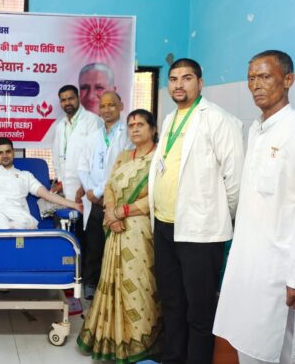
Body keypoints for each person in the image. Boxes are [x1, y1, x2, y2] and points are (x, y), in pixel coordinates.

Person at [214, 50, 295, 364]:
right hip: (248, 264)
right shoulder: (256, 130)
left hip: (281, 269)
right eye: (251, 78)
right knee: (246, 341)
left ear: (288, 80)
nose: (256, 85)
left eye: (265, 76)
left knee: (278, 349)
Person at [148, 58, 244, 364]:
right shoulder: (169, 120)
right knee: (172, 302)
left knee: (199, 309)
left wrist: (216, 217)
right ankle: (173, 358)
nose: (179, 84)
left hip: (200, 232)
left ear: (200, 83)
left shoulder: (218, 120)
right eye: (173, 79)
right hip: (165, 226)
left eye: (186, 78)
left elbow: (235, 180)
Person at [78, 109, 161, 363]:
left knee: (139, 283)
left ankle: (139, 340)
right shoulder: (124, 156)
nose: (135, 129)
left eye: (140, 124)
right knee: (112, 282)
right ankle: (112, 339)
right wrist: (111, 213)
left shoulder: (159, 158)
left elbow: (157, 195)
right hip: (114, 229)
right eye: (131, 125)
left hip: (140, 230)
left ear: (153, 129)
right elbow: (110, 187)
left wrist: (123, 212)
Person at [77, 91, 132, 299]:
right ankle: (91, 284)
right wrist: (90, 191)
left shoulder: (128, 135)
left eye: (111, 105)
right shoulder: (93, 137)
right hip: (95, 201)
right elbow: (82, 167)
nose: (107, 109)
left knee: (115, 245)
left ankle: (114, 287)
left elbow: (121, 168)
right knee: (94, 244)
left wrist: (99, 192)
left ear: (121, 106)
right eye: (103, 106)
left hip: (117, 199)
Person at [0, 137, 82, 229]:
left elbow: (47, 195)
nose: (5, 155)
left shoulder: (25, 175)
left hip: (19, 218)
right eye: (0, 153)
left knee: (25, 222)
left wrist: (74, 205)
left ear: (13, 153)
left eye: (8, 151)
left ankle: (9, 241)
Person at [51, 84, 102, 201]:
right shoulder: (60, 125)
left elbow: (97, 156)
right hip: (66, 186)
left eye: (71, 98)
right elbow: (56, 155)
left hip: (87, 187)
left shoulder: (92, 121)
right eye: (63, 100)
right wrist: (60, 180)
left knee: (86, 211)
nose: (67, 103)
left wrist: (85, 186)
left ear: (78, 98)